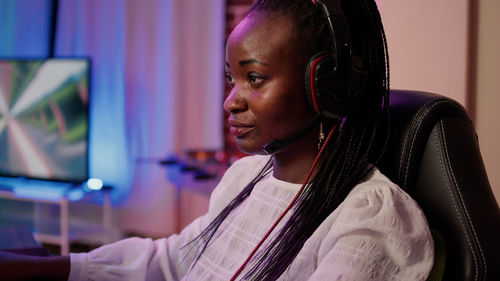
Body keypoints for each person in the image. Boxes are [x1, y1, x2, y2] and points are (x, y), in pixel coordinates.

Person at [0, 0, 434, 280]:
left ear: (324, 85)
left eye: (255, 78)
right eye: (232, 79)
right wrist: (44, 268)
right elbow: (174, 261)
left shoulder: (371, 219)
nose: (230, 102)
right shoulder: (245, 178)